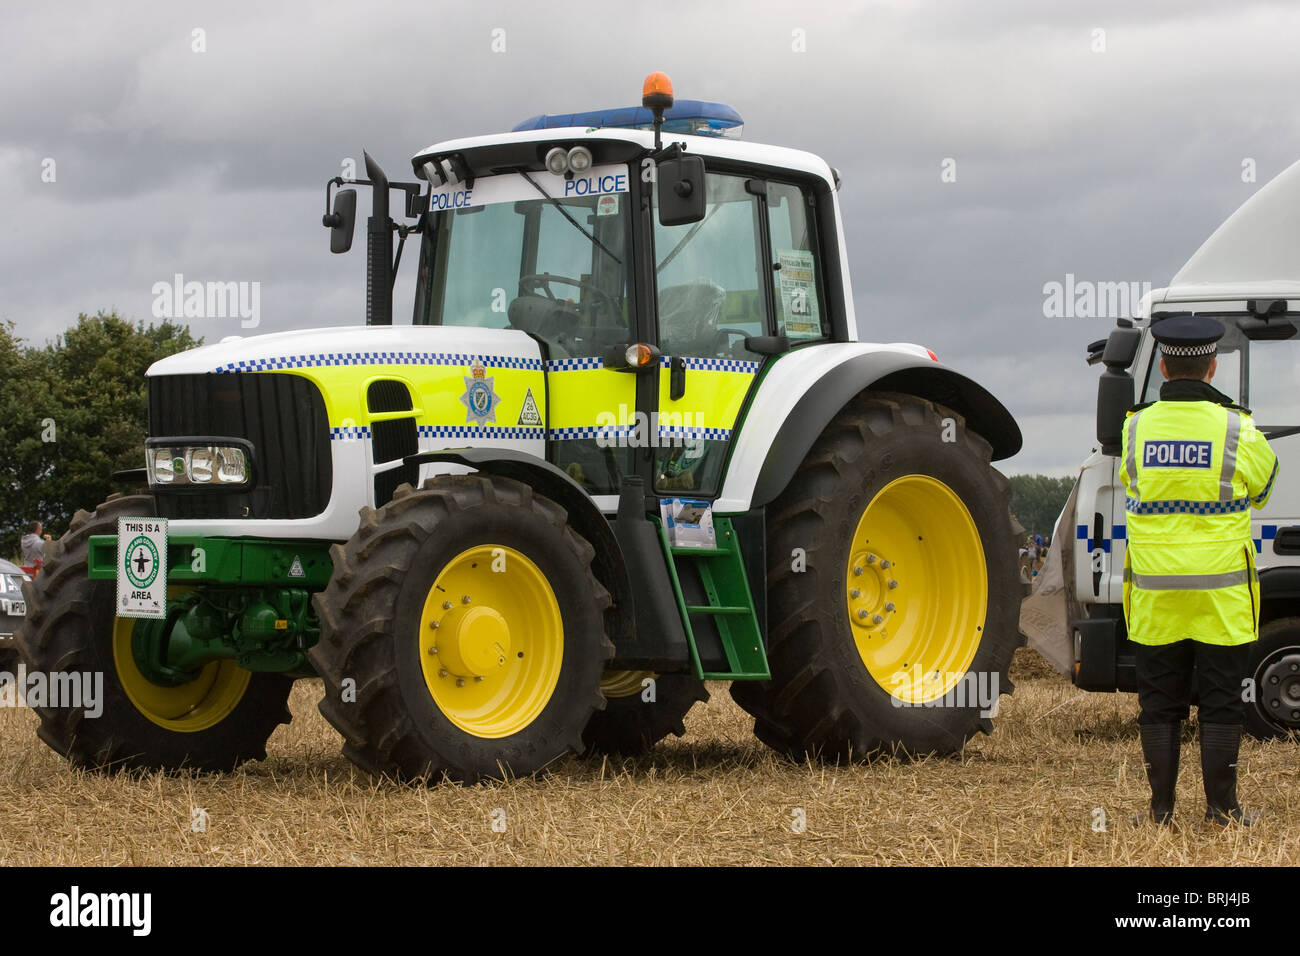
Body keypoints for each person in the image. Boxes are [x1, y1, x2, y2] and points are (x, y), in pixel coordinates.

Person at [1119, 314, 1278, 827]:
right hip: (1221, 597)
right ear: (1212, 368)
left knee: (1159, 705)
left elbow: (1132, 482)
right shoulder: (1239, 428)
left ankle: (1160, 810)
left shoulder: (1136, 426)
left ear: (1164, 366)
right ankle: (1222, 810)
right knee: (1221, 703)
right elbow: (1264, 487)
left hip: (1156, 595)